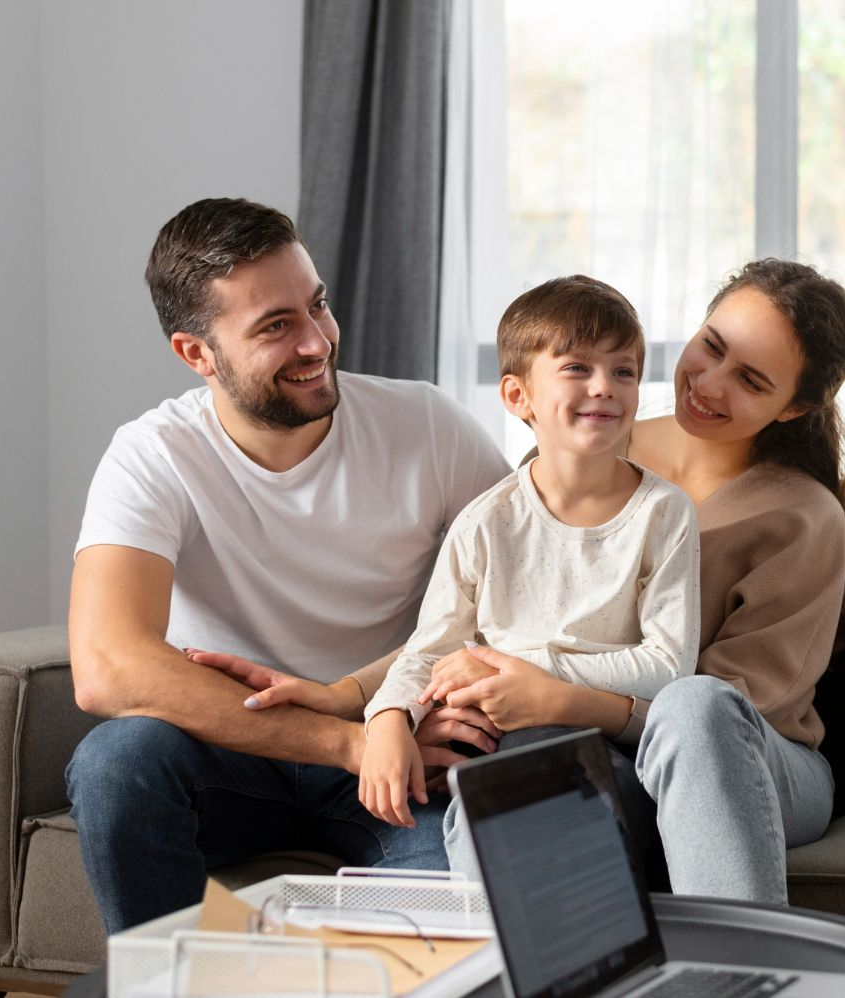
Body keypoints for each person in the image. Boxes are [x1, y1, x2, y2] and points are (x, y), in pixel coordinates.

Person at [65, 197, 511, 933]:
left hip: (394, 747)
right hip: (233, 753)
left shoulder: (427, 427)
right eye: (275, 326)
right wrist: (343, 741)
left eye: (318, 306)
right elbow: (108, 665)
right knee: (117, 762)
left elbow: (519, 597)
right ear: (195, 353)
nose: (317, 342)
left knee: (438, 919)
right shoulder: (152, 456)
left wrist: (396, 715)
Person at [435, 258, 845, 903]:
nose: (710, 385)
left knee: (695, 708)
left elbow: (728, 713)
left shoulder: (803, 518)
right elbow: (470, 616)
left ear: (795, 405)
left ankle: (739, 973)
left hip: (753, 759)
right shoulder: (588, 443)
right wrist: (359, 696)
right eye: (711, 348)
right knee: (514, 783)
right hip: (602, 750)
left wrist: (557, 696)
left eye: (750, 380)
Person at [358, 275, 701, 856]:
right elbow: (431, 649)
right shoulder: (485, 521)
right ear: (519, 396)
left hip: (610, 740)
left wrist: (525, 670)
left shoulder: (664, 513)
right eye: (577, 368)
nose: (605, 387)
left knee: (557, 806)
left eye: (623, 371)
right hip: (497, 736)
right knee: (477, 810)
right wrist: (388, 718)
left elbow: (668, 668)